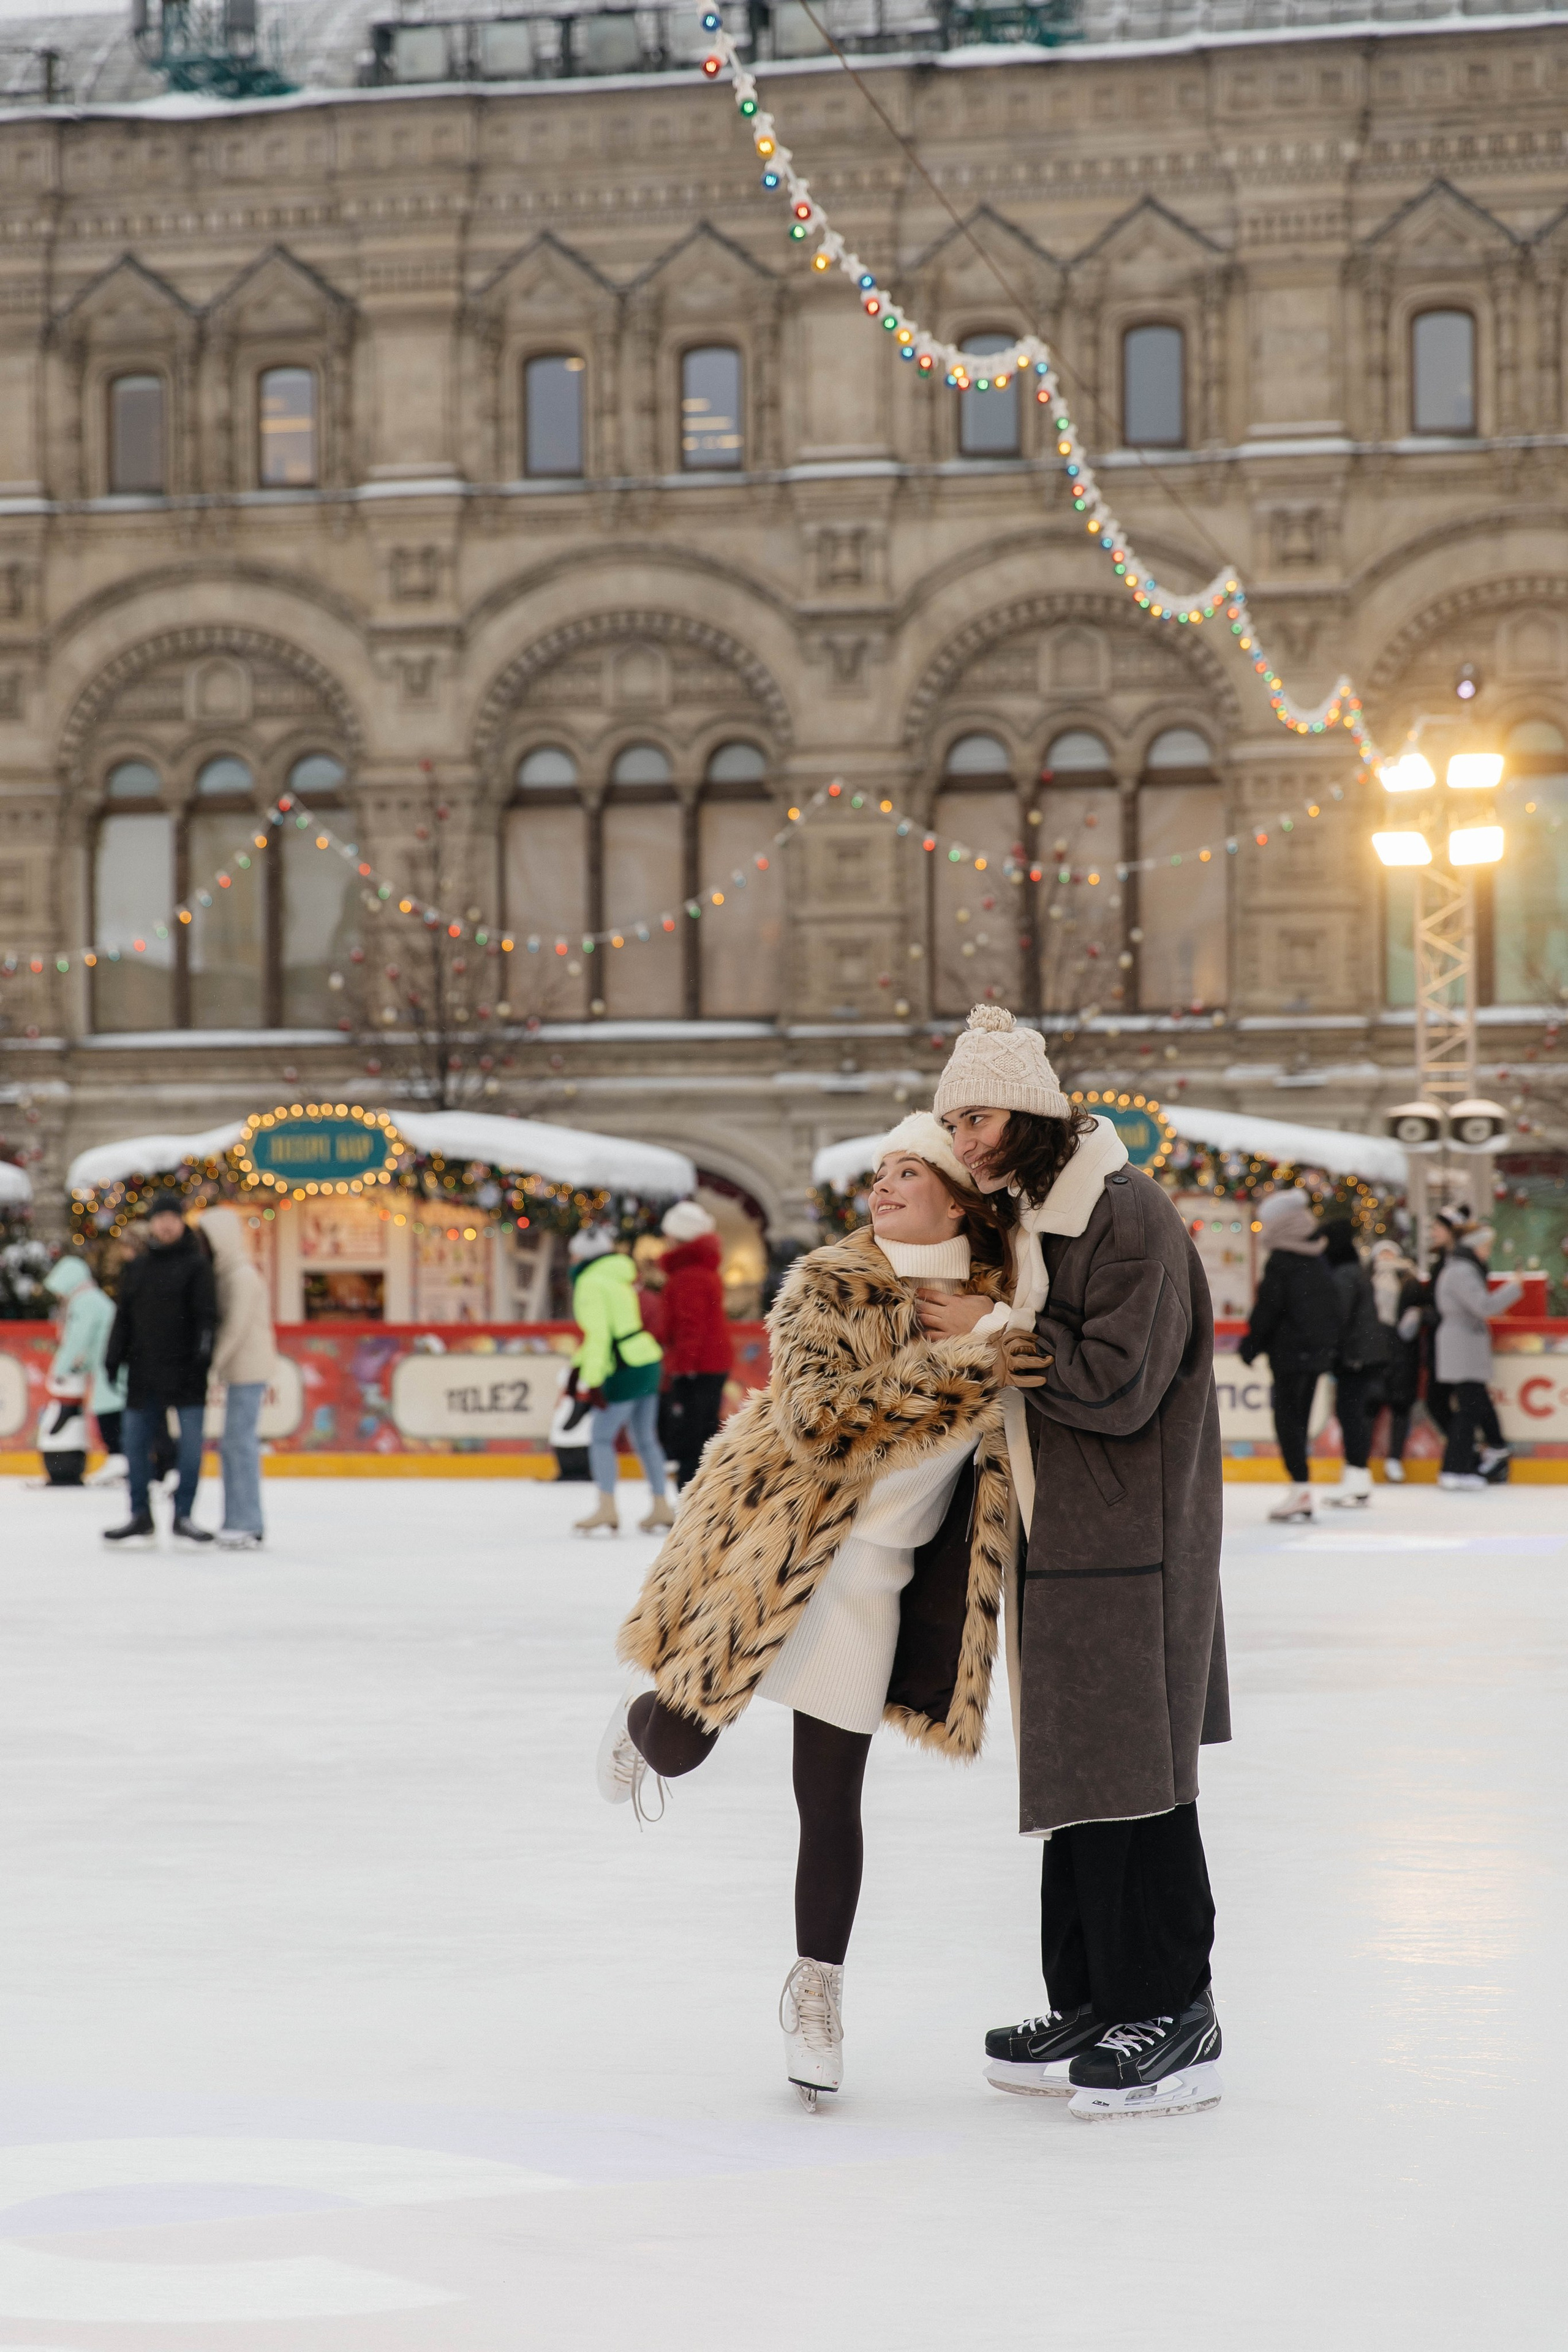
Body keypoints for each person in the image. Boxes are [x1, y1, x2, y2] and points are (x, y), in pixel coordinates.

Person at [604, 1112, 1042, 2108]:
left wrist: (989, 1327)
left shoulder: (1006, 1300)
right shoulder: (832, 1284)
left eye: (907, 1173)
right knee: (682, 1745)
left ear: (959, 1197)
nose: (882, 1188)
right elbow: (821, 1421)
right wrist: (971, 1357)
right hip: (779, 1550)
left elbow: (1047, 1372)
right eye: (879, 1173)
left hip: (873, 1586)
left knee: (829, 1796)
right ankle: (645, 1723)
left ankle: (816, 1994)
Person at [919, 1006, 1229, 2125]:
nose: (966, 1135)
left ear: (1040, 1115)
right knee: (1078, 1779)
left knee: (1136, 1775)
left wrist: (992, 1325)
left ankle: (1176, 2009)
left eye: (983, 1113)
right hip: (1060, 1533)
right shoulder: (1030, 1217)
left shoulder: (1123, 1210)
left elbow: (1120, 1382)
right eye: (955, 1116)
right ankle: (1098, 2000)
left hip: (1131, 1540)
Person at [102, 1191, 217, 1550]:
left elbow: (208, 1319)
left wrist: (203, 1357)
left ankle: (184, 1514)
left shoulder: (198, 1267)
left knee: (191, 1448)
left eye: (172, 1217)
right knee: (134, 1445)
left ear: (181, 1222)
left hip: (187, 1374)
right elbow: (124, 1319)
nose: (166, 1224)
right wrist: (113, 1357)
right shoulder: (137, 1268)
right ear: (151, 1223)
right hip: (144, 1371)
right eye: (160, 1217)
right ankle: (140, 1515)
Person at [1237, 1188, 1345, 1526]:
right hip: (1312, 1356)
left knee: (1288, 1422)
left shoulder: (1283, 1261)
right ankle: (1300, 1488)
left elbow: (1269, 1308)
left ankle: (1299, 1490)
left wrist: (1251, 1344)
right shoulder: (1317, 1258)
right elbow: (1331, 1309)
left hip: (1289, 1356)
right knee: (1298, 1420)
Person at [569, 1226, 673, 1537]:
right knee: (645, 1437)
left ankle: (607, 1506)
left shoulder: (590, 1282)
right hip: (646, 1361)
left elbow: (599, 1336)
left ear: (583, 1255)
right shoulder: (618, 1276)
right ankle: (661, 1504)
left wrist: (590, 1381)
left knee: (601, 1437)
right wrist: (581, 1366)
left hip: (624, 1367)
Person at [200, 1207, 277, 1553]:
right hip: (241, 1370)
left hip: (249, 1371)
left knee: (239, 1444)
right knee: (234, 1445)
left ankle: (246, 1521)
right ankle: (237, 1519)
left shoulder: (241, 1275)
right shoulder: (227, 1273)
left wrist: (213, 1364)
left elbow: (235, 1325)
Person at [1434, 1223, 1520, 1491]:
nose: (1487, 1253)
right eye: (1485, 1247)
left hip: (1463, 1343)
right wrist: (1514, 1287)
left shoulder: (1458, 1267)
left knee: (1473, 1405)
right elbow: (1483, 1306)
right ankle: (1455, 1469)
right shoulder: (1462, 1270)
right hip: (1463, 1345)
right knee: (1469, 1410)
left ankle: (1488, 1453)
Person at [655, 1199, 734, 1490]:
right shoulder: (699, 1271)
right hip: (708, 1364)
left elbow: (691, 1327)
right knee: (703, 1433)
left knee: (693, 1437)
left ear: (679, 1237)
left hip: (698, 1367)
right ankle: (701, 1495)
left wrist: (682, 1368)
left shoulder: (688, 1276)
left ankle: (692, 1497)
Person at [42, 1253, 127, 1485]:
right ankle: (120, 1459)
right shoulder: (93, 1299)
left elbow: (79, 1339)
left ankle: (118, 1459)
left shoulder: (85, 1301)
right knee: (111, 1409)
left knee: (108, 1411)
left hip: (111, 1365)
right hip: (110, 1363)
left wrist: (60, 1368)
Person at [1321, 1220, 1389, 1510]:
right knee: (1353, 1415)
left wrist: (1328, 1349)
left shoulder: (1344, 1274)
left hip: (1356, 1359)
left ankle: (1357, 1476)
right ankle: (1358, 1477)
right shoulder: (1354, 1270)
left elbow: (1338, 1317)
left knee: (1351, 1416)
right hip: (1363, 1356)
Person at [1370, 1238, 1425, 1482]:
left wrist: (1416, 1316)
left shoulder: (1410, 1281)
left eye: (1390, 1252)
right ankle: (1359, 1461)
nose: (1386, 1257)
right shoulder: (1366, 1280)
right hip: (1374, 1350)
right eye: (1382, 1253)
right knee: (1369, 1406)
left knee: (1400, 1405)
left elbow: (1423, 1307)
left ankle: (1395, 1459)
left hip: (1402, 1351)